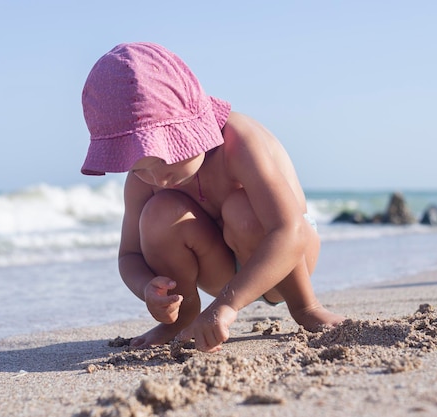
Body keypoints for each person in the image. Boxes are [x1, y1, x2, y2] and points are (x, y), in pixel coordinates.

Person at [81, 42, 345, 353]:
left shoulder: (238, 141)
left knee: (240, 208)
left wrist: (227, 306)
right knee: (158, 212)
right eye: (139, 168)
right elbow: (129, 256)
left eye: (164, 157)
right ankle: (183, 317)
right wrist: (147, 289)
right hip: (218, 271)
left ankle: (305, 307)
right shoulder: (144, 180)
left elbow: (290, 230)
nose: (157, 178)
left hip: (285, 259)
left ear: (189, 130)